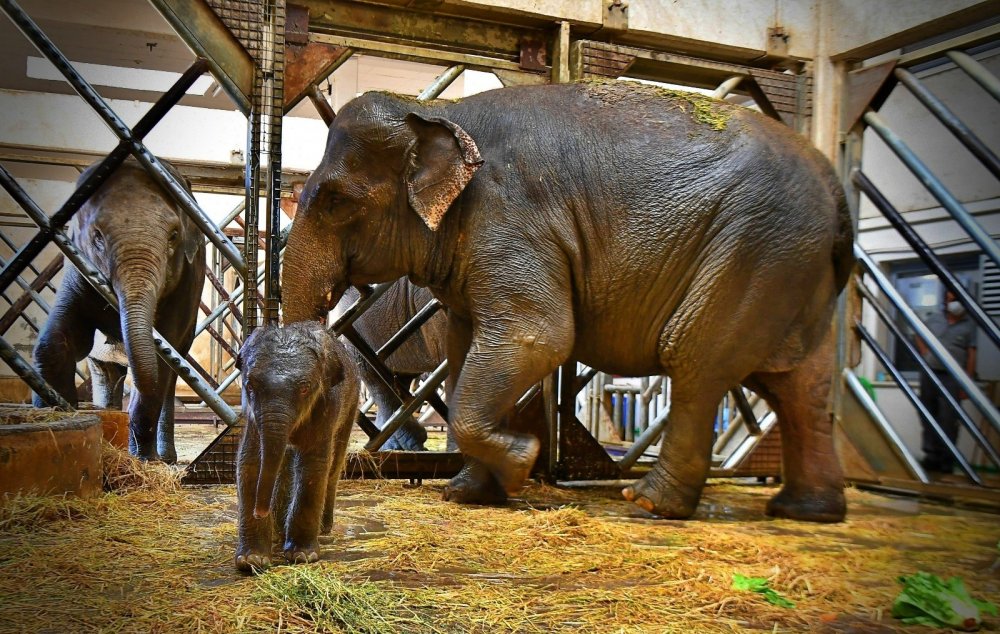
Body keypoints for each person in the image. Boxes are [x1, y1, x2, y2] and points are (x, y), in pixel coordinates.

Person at [914, 289, 977, 475]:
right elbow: (918, 333)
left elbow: (972, 353)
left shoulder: (969, 326)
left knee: (949, 419)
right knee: (928, 415)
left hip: (953, 377)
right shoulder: (934, 319)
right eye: (949, 299)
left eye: (955, 299)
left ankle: (947, 459)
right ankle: (931, 457)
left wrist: (968, 382)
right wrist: (925, 352)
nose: (953, 303)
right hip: (930, 373)